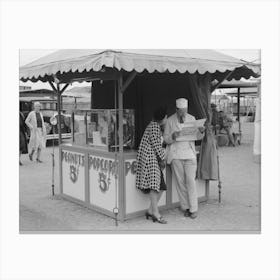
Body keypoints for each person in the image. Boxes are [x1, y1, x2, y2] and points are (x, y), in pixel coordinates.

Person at [164, 98, 204, 219]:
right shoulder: (170, 120)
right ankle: (186, 207)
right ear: (176, 110)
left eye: (185, 111)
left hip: (190, 154)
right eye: (181, 111)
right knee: (181, 183)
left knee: (191, 181)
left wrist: (201, 132)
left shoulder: (192, 119)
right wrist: (172, 136)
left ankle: (194, 208)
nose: (183, 113)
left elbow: (198, 137)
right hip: (176, 155)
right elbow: (165, 139)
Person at [136, 106, 168, 224]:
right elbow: (156, 145)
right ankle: (155, 213)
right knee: (156, 187)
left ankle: (150, 211)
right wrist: (163, 158)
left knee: (161, 186)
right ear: (163, 117)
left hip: (150, 159)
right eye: (166, 116)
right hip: (151, 159)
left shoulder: (153, 125)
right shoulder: (155, 126)